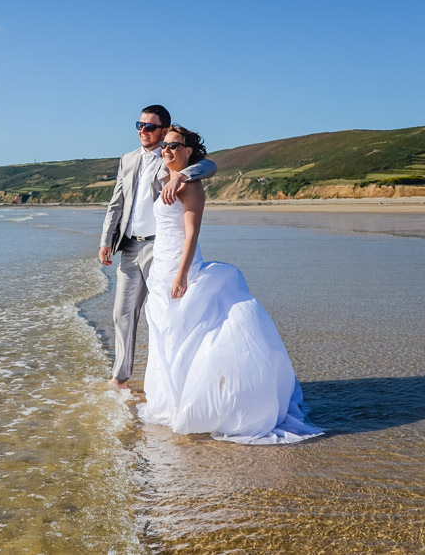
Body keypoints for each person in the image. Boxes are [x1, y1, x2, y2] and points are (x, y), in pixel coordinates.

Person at [137, 125, 323, 443]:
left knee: (188, 330)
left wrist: (182, 275)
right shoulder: (166, 176)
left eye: (173, 146)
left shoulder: (190, 185)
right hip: (161, 266)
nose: (166, 150)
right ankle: (175, 398)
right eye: (164, 145)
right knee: (167, 333)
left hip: (181, 266)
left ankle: (207, 403)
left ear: (188, 151)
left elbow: (192, 234)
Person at [100, 105, 217, 389]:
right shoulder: (127, 159)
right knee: (122, 313)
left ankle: (162, 380)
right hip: (129, 247)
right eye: (139, 125)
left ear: (163, 131)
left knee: (162, 315)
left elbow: (210, 166)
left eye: (150, 127)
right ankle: (121, 377)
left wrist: (181, 175)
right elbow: (117, 202)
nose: (143, 131)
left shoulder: (172, 158)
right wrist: (105, 240)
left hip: (159, 248)